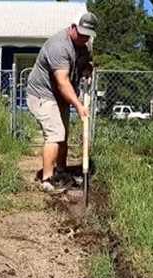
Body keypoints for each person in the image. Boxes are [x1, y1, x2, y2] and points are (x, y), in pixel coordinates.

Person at [26, 12, 98, 193]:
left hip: (60, 97)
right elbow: (62, 81)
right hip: (43, 95)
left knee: (63, 135)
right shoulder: (58, 46)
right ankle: (47, 180)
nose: (83, 37)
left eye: (87, 35)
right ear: (73, 27)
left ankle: (61, 172)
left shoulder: (84, 45)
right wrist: (79, 104)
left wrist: (86, 70)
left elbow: (84, 64)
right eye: (80, 33)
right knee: (55, 134)